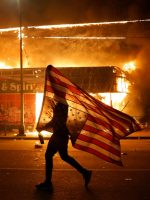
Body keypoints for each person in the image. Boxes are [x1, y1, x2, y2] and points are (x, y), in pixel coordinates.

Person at [36, 102, 92, 191]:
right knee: (64, 156)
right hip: (61, 135)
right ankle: (85, 172)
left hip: (59, 135)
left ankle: (48, 183)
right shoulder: (62, 103)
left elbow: (56, 120)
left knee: (49, 155)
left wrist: (43, 127)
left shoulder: (61, 104)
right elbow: (57, 120)